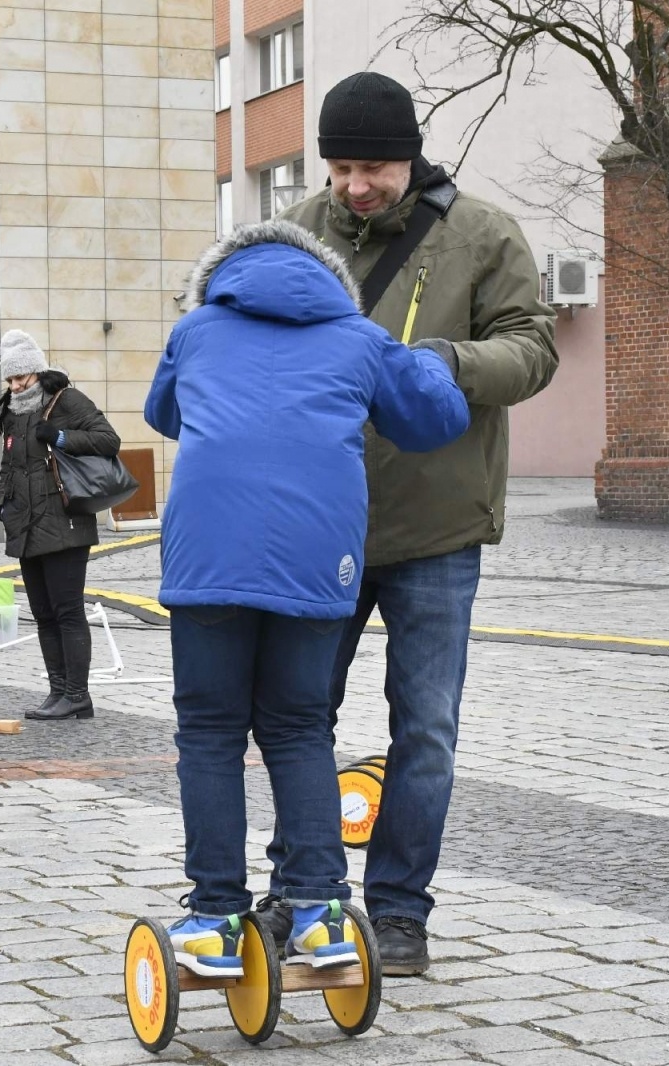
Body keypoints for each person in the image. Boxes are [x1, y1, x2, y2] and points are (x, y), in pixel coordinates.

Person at [266, 71, 559, 974]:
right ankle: (301, 892)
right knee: (298, 716)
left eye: (375, 169)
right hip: (320, 526)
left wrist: (446, 363)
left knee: (425, 731)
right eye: (341, 169)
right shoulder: (293, 235)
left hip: (437, 527)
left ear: (411, 159)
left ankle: (399, 912)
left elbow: (533, 347)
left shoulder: (482, 234)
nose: (356, 186)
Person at [144, 220, 470, 975]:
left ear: (221, 277)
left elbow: (165, 415)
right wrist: (428, 363)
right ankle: (321, 913)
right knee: (298, 728)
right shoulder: (359, 338)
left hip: (209, 554)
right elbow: (436, 422)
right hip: (318, 556)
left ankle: (216, 917)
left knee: (210, 732)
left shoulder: (195, 330)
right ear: (330, 281)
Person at [0, 330, 120, 722]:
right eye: (9, 379)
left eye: (20, 377)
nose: (14, 385)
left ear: (37, 371)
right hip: (26, 526)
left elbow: (109, 440)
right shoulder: (13, 411)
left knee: (67, 611)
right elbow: (9, 465)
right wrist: (2, 507)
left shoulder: (66, 400)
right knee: (42, 613)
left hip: (65, 522)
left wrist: (60, 436)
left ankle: (77, 695)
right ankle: (58, 691)